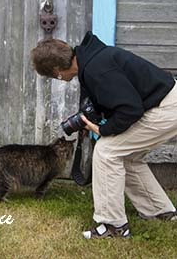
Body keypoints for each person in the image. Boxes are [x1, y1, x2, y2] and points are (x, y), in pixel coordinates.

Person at [31, 31, 177, 239]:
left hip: (167, 109)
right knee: (125, 155)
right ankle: (159, 211)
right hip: (167, 103)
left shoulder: (96, 69)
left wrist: (103, 130)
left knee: (107, 151)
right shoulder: (91, 59)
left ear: (57, 73)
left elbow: (130, 109)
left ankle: (113, 226)